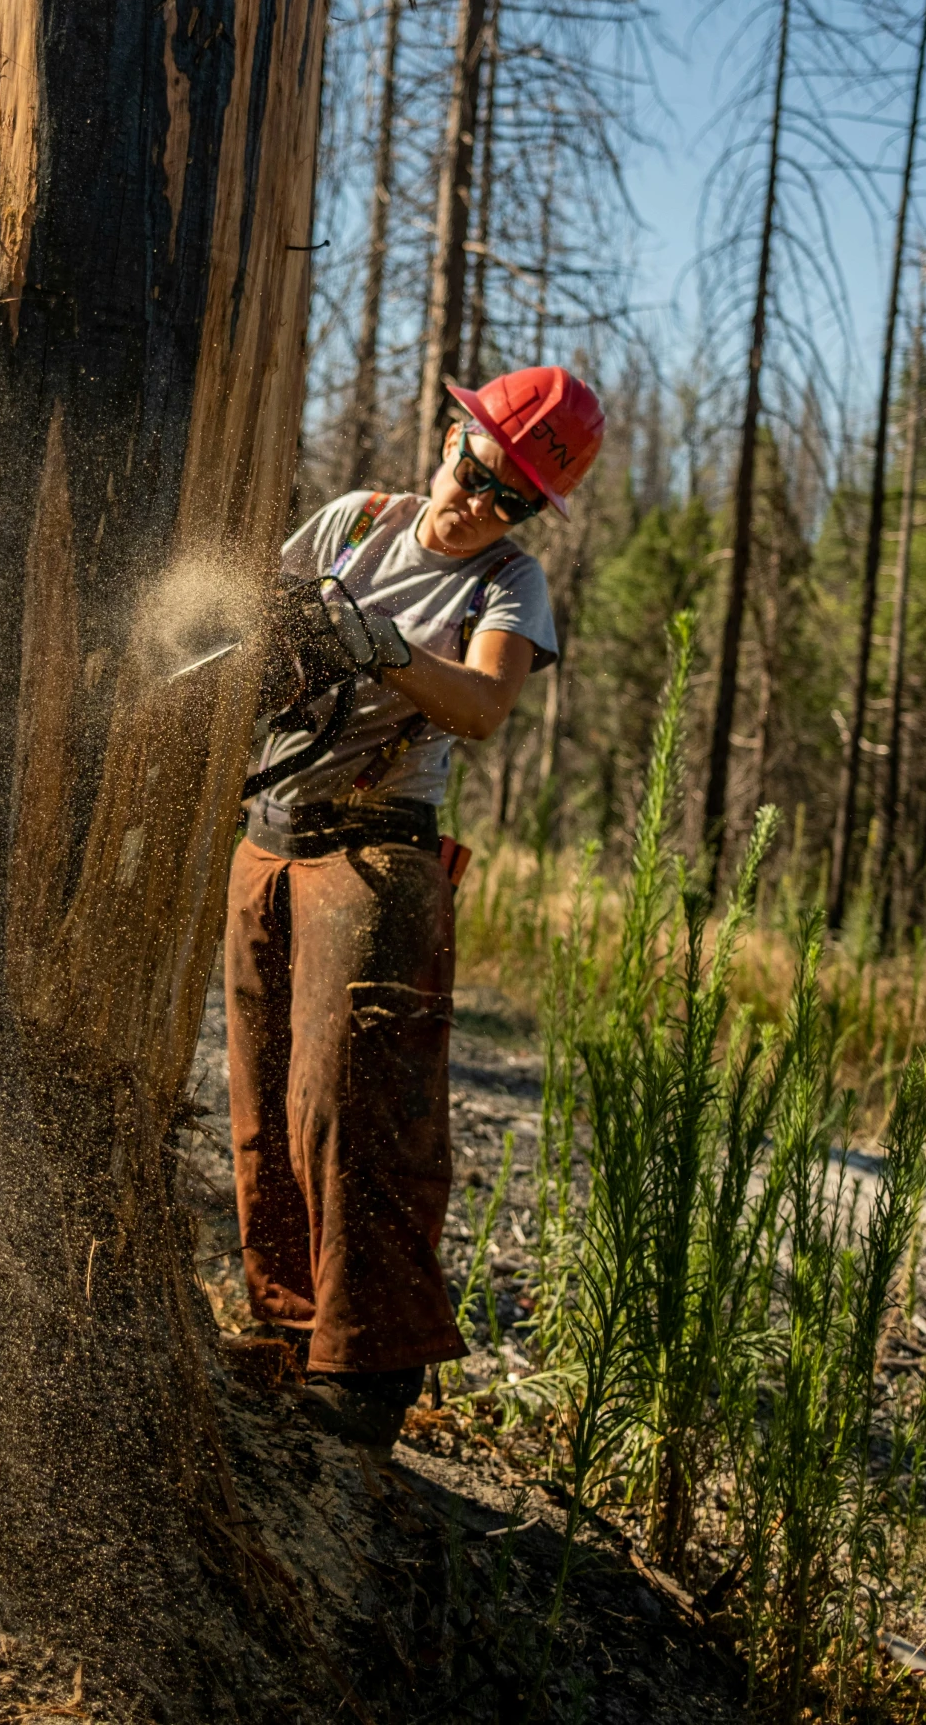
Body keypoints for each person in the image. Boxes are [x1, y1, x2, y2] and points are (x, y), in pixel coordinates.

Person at [223, 365, 606, 1453]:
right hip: (270, 837)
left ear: (533, 514)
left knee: (351, 1112)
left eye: (513, 496)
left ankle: (368, 1374)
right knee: (259, 1109)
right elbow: (250, 610)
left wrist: (385, 649)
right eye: (477, 467)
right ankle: (286, 1326)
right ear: (451, 437)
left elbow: (483, 705)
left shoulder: (506, 587)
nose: (478, 500)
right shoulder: (354, 523)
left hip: (376, 855)